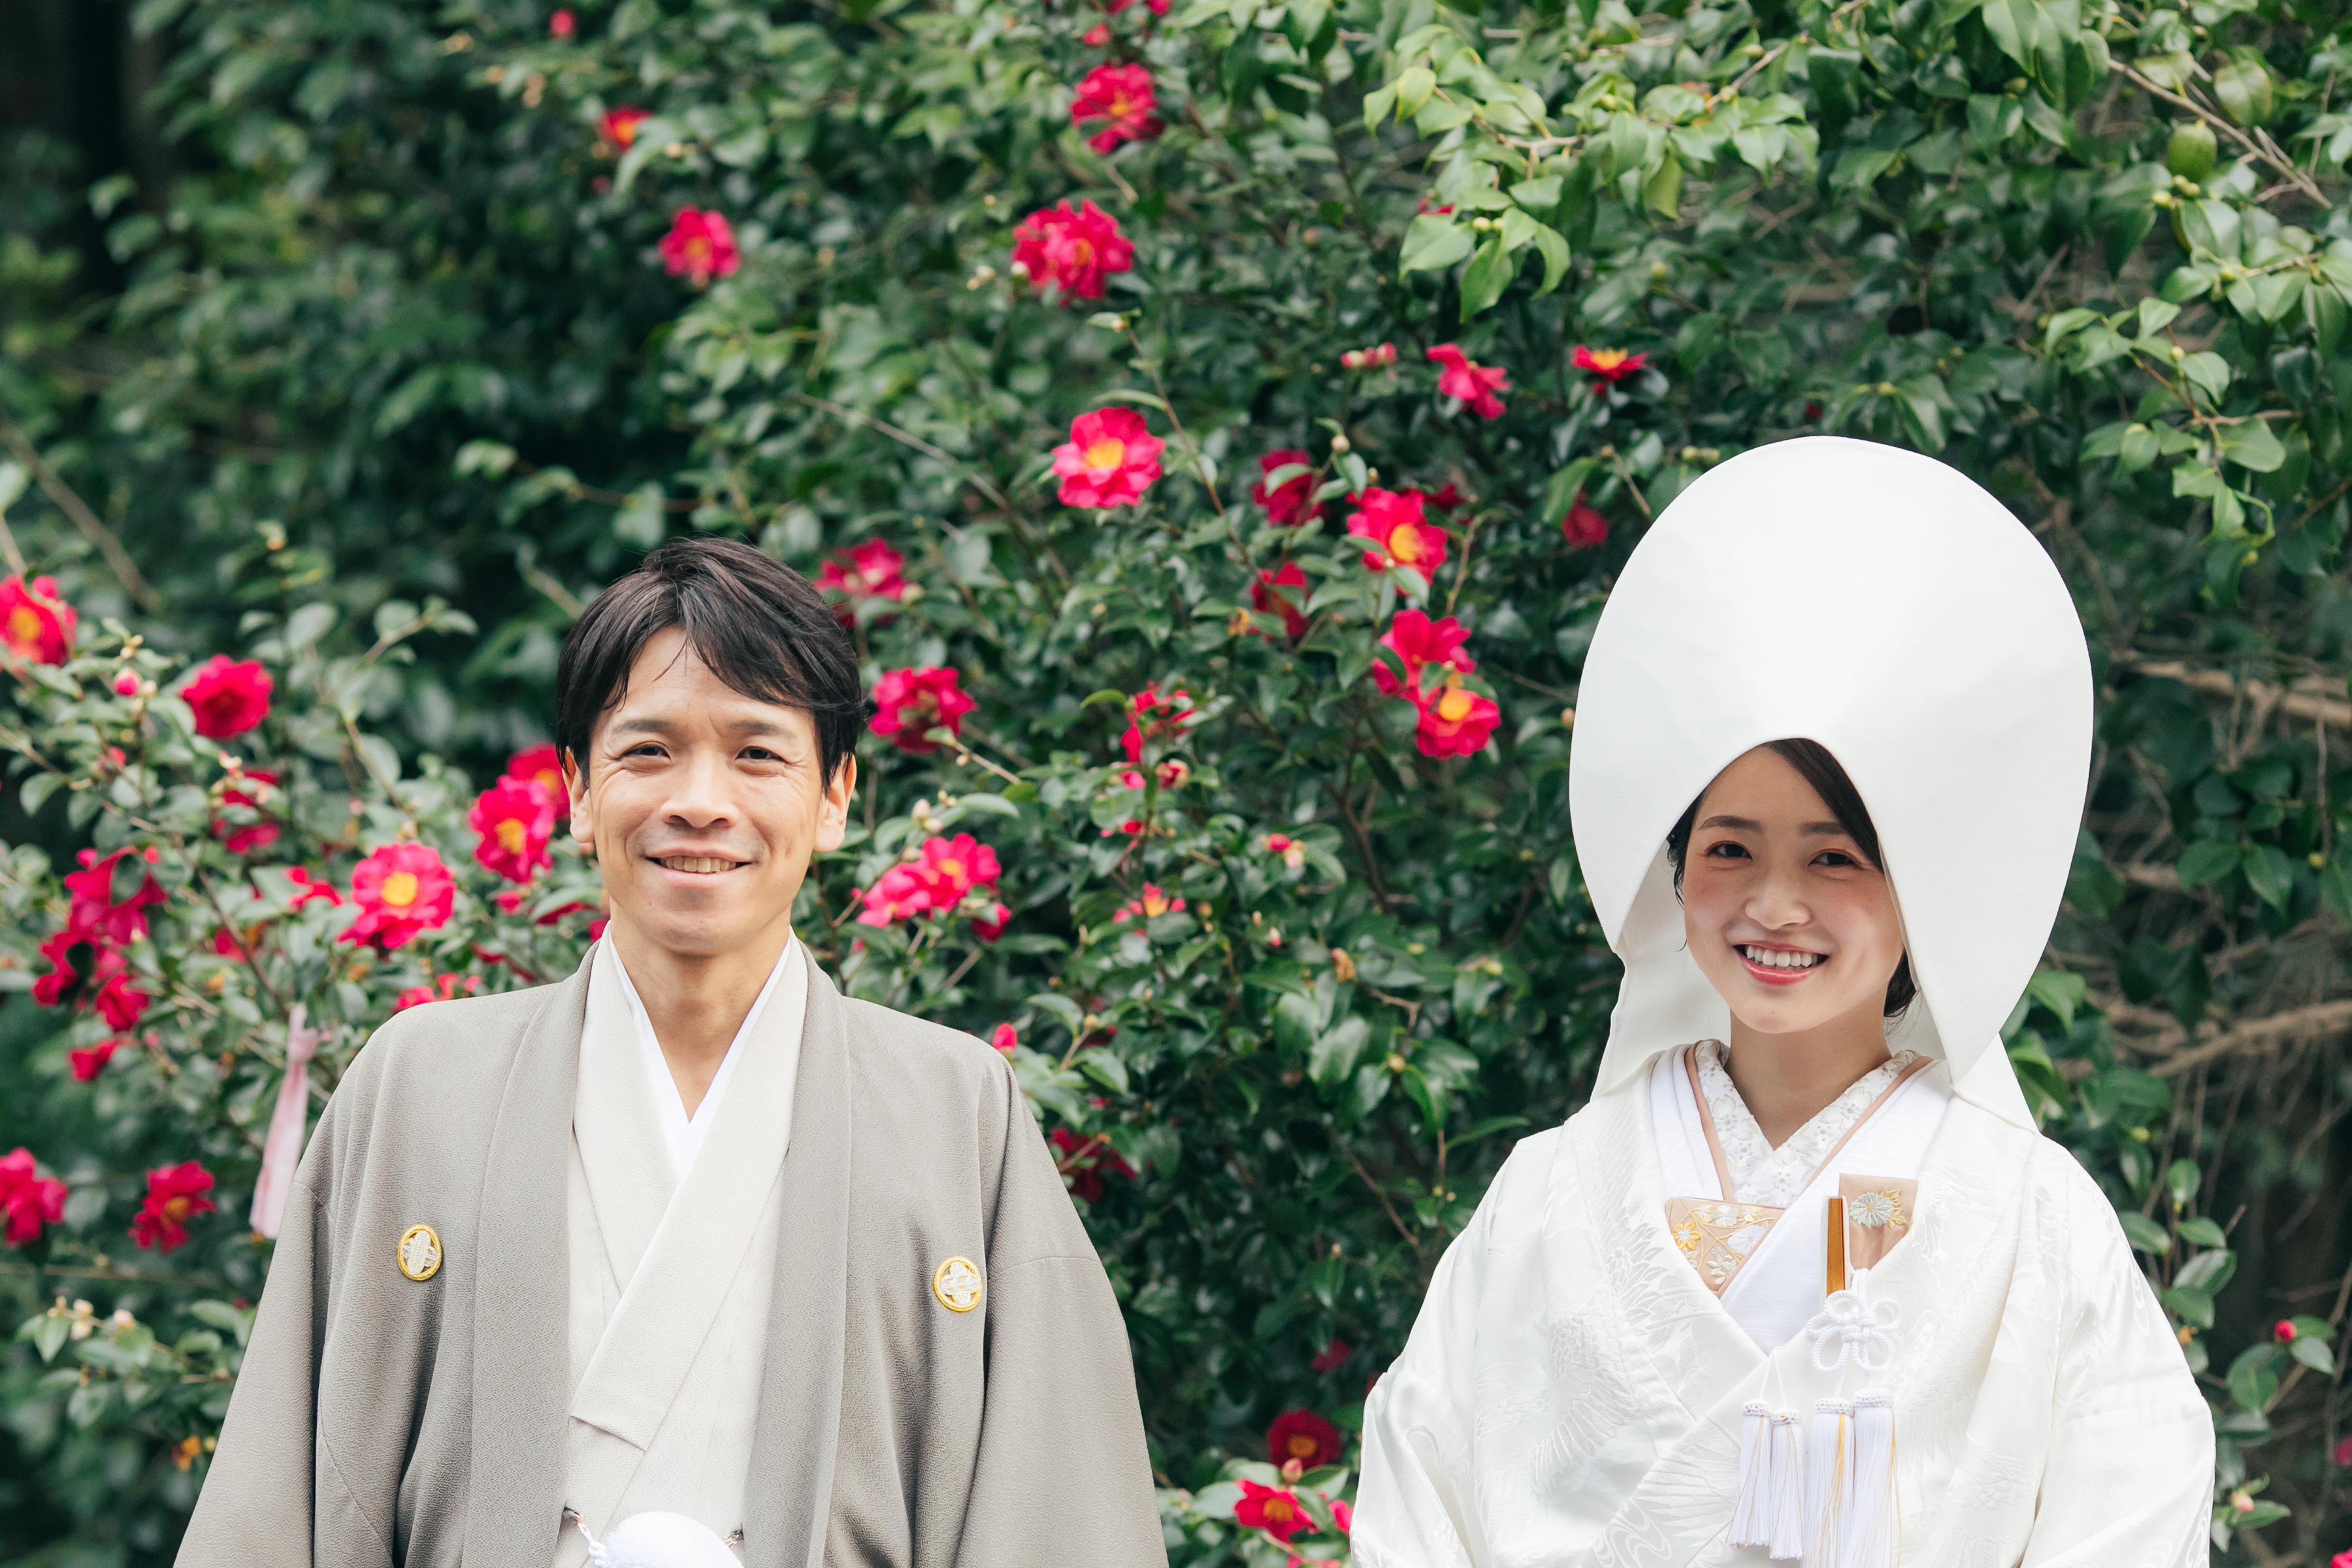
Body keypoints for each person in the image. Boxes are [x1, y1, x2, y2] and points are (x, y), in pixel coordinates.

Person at [178, 538, 1167, 1567]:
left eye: (757, 753)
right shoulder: (421, 1081)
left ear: (836, 798)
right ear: (576, 790)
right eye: (648, 751)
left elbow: (1053, 1502)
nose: (701, 800)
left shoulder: (956, 1106)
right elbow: (293, 1493)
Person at [1353, 438, 2212, 1566]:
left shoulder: (2032, 1220)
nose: (1773, 905)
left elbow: (2128, 1513)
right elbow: (1422, 1501)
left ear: (1918, 894)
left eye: (1834, 859)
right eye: (1729, 848)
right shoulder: (1549, 1195)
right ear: (1675, 872)